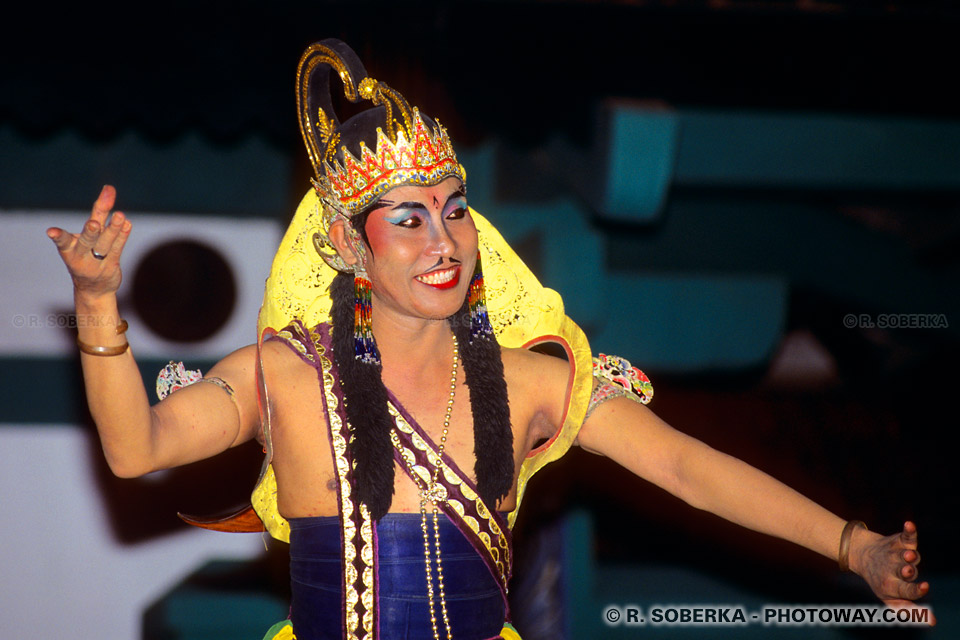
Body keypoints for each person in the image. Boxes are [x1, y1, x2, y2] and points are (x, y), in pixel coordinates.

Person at [47, 39, 932, 640]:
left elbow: (687, 469)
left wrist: (853, 547)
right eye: (408, 218)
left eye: (455, 211)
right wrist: (96, 306)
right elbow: (136, 450)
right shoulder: (283, 377)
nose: (444, 241)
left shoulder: (533, 385)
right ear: (348, 246)